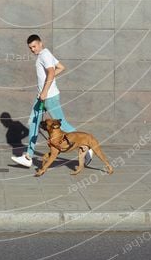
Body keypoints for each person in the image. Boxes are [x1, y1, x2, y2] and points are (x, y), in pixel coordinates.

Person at [11, 34, 93, 169]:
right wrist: (45, 87)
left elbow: (50, 72)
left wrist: (44, 91)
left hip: (48, 97)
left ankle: (86, 145)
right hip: (43, 96)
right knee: (33, 123)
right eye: (30, 48)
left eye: (34, 46)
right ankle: (28, 157)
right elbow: (60, 67)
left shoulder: (44, 55)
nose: (32, 49)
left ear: (40, 43)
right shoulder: (46, 54)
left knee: (63, 124)